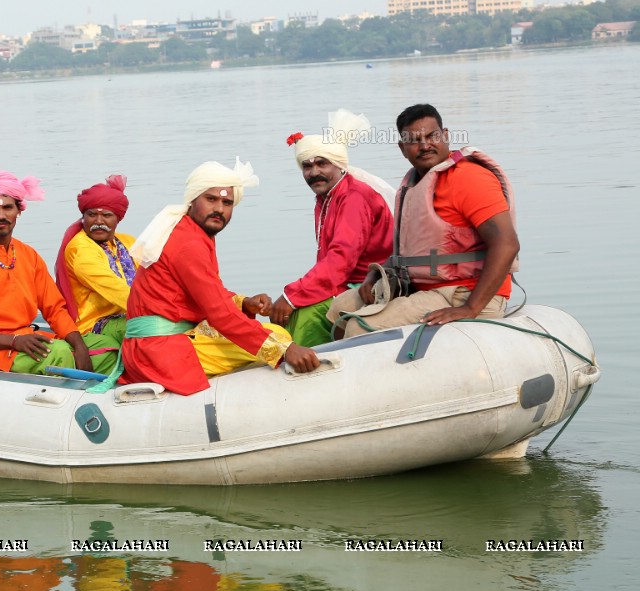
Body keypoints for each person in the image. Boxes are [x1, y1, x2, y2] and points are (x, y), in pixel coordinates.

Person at [112, 159, 319, 395]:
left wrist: (243, 303)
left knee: (267, 337)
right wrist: (285, 349)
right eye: (211, 199)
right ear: (193, 200)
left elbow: (208, 293)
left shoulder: (192, 231)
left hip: (162, 339)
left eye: (227, 202)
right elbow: (220, 315)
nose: (219, 209)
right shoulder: (188, 242)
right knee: (279, 337)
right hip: (158, 349)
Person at [328, 104, 519, 338]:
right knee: (339, 310)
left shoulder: (469, 178)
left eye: (432, 136)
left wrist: (470, 308)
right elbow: (418, 249)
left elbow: (507, 244)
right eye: (414, 140)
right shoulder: (416, 182)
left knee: (359, 327)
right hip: (426, 287)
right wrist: (377, 273)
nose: (425, 145)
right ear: (402, 148)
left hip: (464, 292)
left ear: (446, 136)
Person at [0, 171, 119, 375]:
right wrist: (14, 341)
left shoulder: (29, 255)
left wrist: (80, 346)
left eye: (7, 207)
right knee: (59, 352)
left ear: (19, 210)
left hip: (28, 340)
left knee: (107, 347)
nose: (1, 216)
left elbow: (54, 309)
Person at [269, 110, 395, 346]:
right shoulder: (328, 196)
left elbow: (340, 260)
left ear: (338, 165)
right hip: (346, 282)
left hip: (370, 284)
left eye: (321, 163)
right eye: (307, 166)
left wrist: (291, 295)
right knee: (292, 312)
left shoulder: (354, 198)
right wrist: (296, 294)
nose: (314, 172)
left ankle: (306, 370)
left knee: (306, 314)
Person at [53, 174, 137, 345]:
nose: (99, 221)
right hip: (95, 325)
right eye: (92, 215)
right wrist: (160, 310)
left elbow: (158, 273)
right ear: (84, 217)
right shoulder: (80, 250)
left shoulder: (129, 242)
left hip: (132, 312)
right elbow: (117, 290)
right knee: (152, 328)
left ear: (118, 218)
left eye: (106, 215)